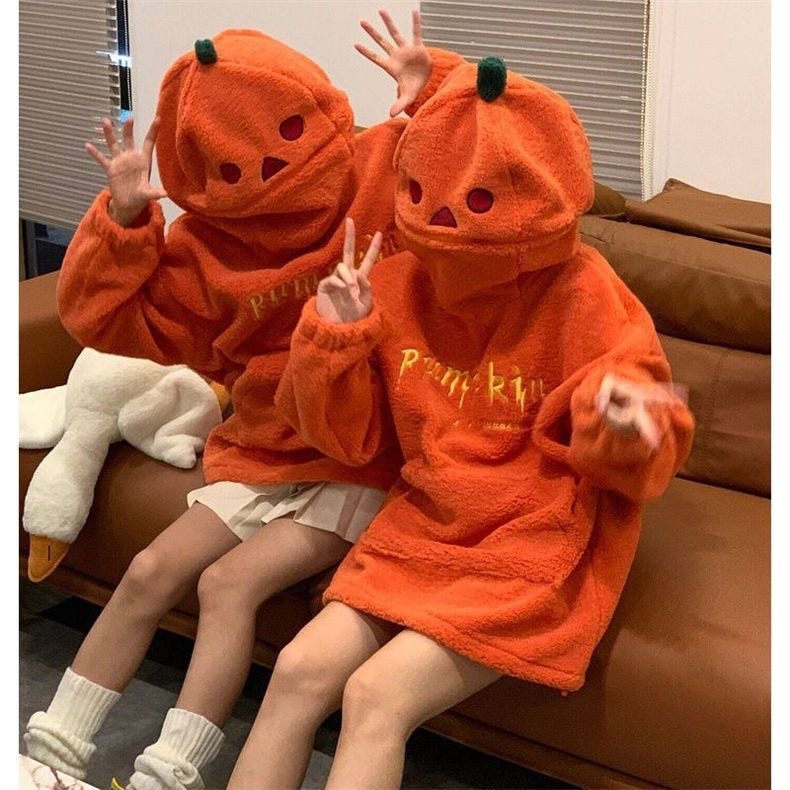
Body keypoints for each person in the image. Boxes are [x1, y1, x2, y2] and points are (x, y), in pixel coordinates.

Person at [228, 56, 695, 789]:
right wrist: (331, 340)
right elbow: (345, 439)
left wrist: (626, 425)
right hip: (425, 523)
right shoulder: (392, 281)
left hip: (532, 539)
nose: (447, 223)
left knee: (374, 697)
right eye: (428, 197)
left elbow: (638, 421)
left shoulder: (585, 291)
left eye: (476, 203)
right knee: (296, 669)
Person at [23, 14, 464, 790]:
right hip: (263, 446)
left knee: (228, 584)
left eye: (284, 139)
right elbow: (104, 320)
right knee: (150, 569)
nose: (262, 178)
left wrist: (432, 92)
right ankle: (50, 756)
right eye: (227, 168)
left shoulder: (377, 171)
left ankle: (168, 775)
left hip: (361, 452)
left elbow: (479, 175)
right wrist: (124, 220)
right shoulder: (202, 250)